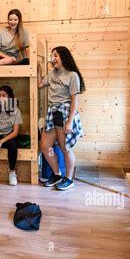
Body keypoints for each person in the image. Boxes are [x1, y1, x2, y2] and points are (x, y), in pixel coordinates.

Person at [38, 46, 85, 190]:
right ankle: (57, 174)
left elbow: (74, 101)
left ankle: (69, 179)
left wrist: (70, 122)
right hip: (53, 112)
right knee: (45, 146)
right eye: (52, 55)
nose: (53, 58)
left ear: (63, 57)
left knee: (65, 148)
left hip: (65, 113)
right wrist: (39, 70)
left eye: (56, 55)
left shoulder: (72, 76)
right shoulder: (52, 74)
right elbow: (40, 85)